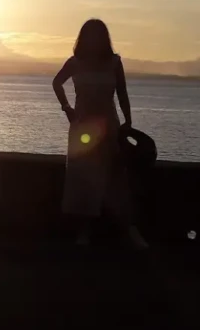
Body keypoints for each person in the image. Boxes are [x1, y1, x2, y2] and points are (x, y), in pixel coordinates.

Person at [52, 19, 150, 249]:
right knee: (84, 180)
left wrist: (128, 121)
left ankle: (130, 230)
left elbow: (122, 92)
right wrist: (67, 108)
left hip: (109, 127)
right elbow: (57, 83)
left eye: (97, 36)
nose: (93, 40)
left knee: (116, 179)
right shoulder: (75, 63)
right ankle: (84, 232)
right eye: (89, 36)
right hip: (82, 128)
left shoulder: (114, 63)